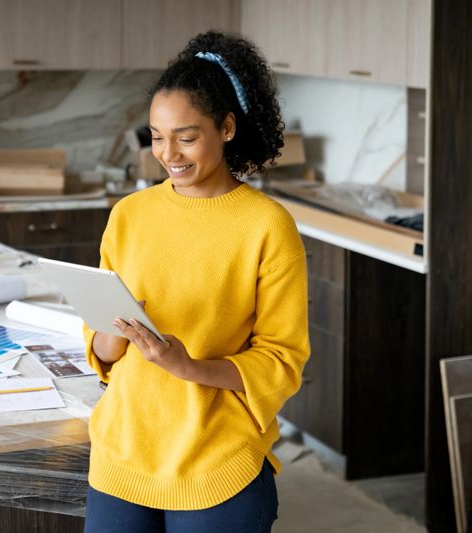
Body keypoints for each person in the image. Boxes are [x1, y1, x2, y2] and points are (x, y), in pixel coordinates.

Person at [82, 30, 310, 533]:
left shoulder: (266, 225)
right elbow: (100, 346)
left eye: (186, 137)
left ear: (227, 127)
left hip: (216, 460)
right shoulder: (129, 214)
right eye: (157, 138)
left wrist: (188, 367)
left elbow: (281, 360)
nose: (170, 155)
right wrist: (114, 333)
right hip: (122, 453)